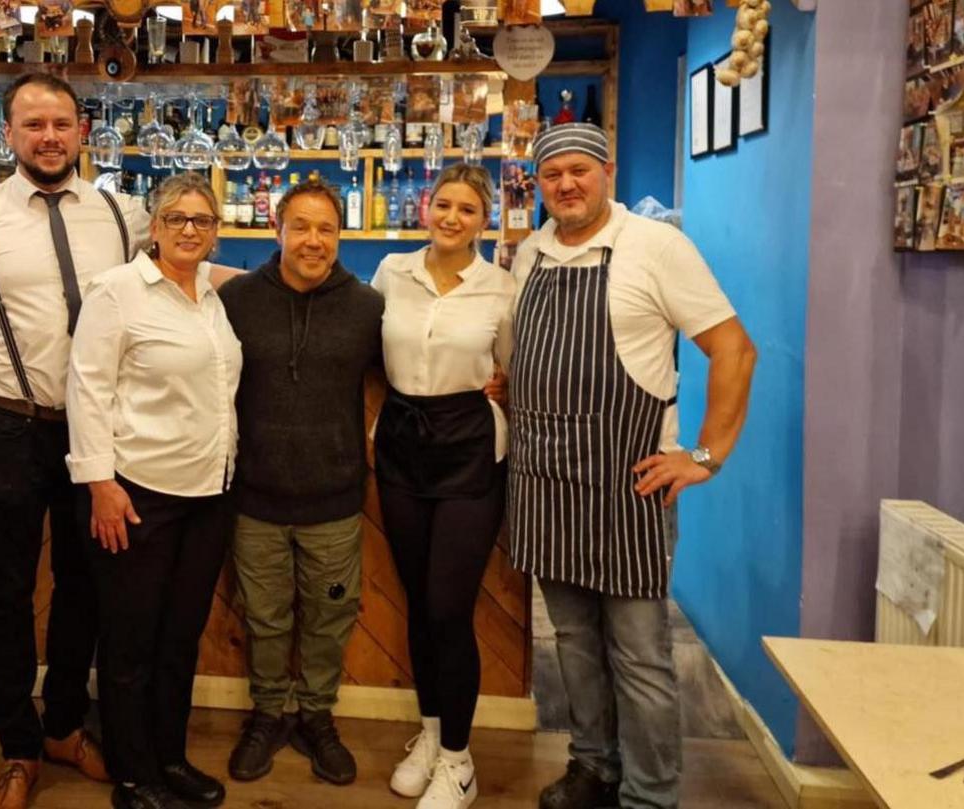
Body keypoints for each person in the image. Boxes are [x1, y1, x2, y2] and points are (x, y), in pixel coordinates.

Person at [0, 73, 148, 809]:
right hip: (11, 426)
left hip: (99, 431)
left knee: (88, 587)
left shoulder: (125, 213)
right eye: (33, 123)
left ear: (83, 131)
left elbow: (180, 284)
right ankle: (17, 742)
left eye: (61, 123)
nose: (49, 136)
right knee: (9, 592)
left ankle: (65, 726)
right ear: (8, 134)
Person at [510, 124, 757, 809]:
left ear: (607, 171)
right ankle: (595, 765)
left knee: (641, 658)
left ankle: (651, 794)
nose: (566, 183)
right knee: (574, 645)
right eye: (552, 173)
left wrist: (704, 455)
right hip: (544, 482)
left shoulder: (657, 247)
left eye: (579, 170)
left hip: (628, 486)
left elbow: (735, 350)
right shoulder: (529, 253)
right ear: (537, 183)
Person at [67, 172, 240, 809]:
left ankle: (171, 757)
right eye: (177, 219)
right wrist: (100, 485)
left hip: (209, 493)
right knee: (130, 641)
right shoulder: (117, 292)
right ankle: (133, 775)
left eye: (202, 220)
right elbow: (87, 390)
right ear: (154, 228)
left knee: (179, 637)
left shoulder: (211, 296)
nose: (190, 230)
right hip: (138, 493)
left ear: (215, 231)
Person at [218, 179, 384, 787]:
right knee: (264, 617)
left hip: (335, 498)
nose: (315, 241)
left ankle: (316, 718)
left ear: (340, 237)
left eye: (327, 230)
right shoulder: (236, 298)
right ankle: (266, 715)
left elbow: (416, 370)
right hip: (254, 496)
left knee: (327, 620)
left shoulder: (368, 307)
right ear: (278, 230)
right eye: (302, 227)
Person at [370, 164, 514, 809]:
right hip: (400, 440)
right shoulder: (391, 273)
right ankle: (430, 736)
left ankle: (458, 759)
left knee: (449, 610)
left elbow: (512, 368)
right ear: (426, 207)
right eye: (444, 205)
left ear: (484, 222)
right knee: (417, 604)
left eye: (468, 210)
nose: (453, 218)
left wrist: (505, 384)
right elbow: (372, 351)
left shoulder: (501, 289)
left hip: (469, 448)